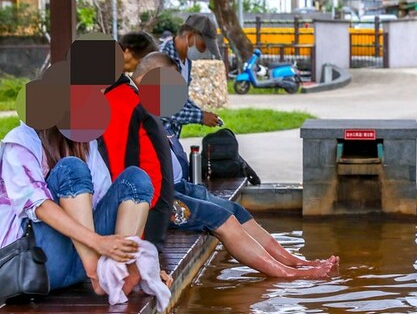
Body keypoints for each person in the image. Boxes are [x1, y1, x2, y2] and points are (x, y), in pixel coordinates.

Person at [131, 52, 339, 278]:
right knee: (223, 219)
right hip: (160, 196)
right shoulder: (133, 107)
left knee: (235, 211)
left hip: (179, 186)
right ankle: (287, 274)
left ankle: (294, 262)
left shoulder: (150, 105)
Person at [0, 123, 168, 297]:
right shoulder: (19, 141)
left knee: (137, 179)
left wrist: (144, 265)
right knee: (71, 168)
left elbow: (104, 205)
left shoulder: (86, 142)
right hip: (34, 264)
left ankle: (119, 270)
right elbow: (39, 207)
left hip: (77, 262)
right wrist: (97, 242)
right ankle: (98, 274)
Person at [98, 43, 174, 248]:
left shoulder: (117, 103)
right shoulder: (125, 95)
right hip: (150, 209)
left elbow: (118, 169)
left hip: (144, 220)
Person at [159, 15, 222, 138]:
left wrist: (200, 112)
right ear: (190, 37)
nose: (204, 52)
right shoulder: (162, 58)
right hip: (155, 137)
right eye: (203, 46)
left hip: (172, 136)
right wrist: (200, 117)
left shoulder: (186, 60)